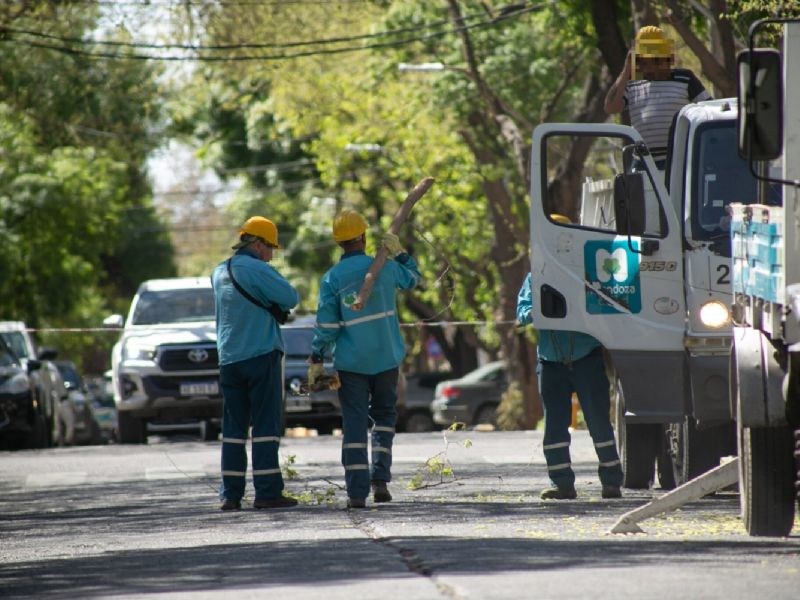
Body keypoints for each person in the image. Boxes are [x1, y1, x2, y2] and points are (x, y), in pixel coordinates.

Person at [308, 209, 422, 508]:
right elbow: (413, 279)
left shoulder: (332, 278)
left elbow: (328, 325)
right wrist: (400, 254)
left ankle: (356, 493)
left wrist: (317, 355)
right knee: (384, 418)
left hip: (351, 365)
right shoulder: (384, 266)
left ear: (338, 242)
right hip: (386, 358)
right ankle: (380, 481)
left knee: (355, 423)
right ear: (363, 236)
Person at [211, 216, 300, 511]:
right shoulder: (257, 268)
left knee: (233, 429)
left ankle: (230, 495)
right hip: (260, 355)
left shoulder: (218, 271)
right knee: (264, 425)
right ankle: (267, 492)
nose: (272, 255)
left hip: (228, 359)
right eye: (271, 247)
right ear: (259, 244)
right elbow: (290, 297)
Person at [516, 270, 623, 500]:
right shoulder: (536, 276)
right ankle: (561, 484)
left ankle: (612, 482)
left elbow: (608, 306)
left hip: (587, 359)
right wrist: (535, 311)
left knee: (598, 422)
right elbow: (522, 311)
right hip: (550, 362)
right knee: (554, 426)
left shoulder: (587, 269)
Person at [604, 25, 711, 169]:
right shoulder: (632, 83)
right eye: (642, 62)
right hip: (643, 162)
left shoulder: (685, 78)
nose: (646, 69)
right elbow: (610, 107)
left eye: (653, 62)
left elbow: (708, 110)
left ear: (665, 60)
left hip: (679, 161)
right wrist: (625, 71)